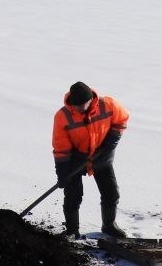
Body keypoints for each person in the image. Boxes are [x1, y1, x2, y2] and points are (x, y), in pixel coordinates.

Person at [52, 81, 129, 238]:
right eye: (75, 105)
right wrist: (62, 173)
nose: (78, 108)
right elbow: (61, 147)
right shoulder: (63, 116)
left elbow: (121, 121)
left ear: (91, 100)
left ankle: (109, 225)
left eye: (81, 105)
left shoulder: (108, 104)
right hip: (75, 159)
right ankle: (72, 230)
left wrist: (109, 144)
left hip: (101, 155)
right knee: (73, 195)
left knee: (111, 193)